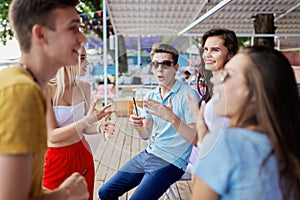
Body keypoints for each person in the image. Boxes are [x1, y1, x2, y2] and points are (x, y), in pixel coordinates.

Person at [0, 1, 90, 199]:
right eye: (73, 28)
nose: (81, 38)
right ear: (40, 34)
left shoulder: (26, 86)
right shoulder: (21, 92)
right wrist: (65, 194)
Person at [191, 47, 300, 200]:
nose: (213, 79)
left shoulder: (226, 143)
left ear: (256, 91)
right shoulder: (286, 146)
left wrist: (205, 142)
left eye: (227, 75)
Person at [98, 43, 199, 200]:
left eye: (166, 64)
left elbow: (195, 139)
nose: (160, 69)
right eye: (155, 64)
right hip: (149, 153)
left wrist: (172, 118)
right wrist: (138, 126)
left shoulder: (188, 95)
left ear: (176, 67)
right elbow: (146, 135)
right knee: (105, 192)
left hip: (171, 161)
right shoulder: (150, 96)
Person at [43, 45, 115, 200]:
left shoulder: (85, 87)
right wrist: (86, 121)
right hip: (56, 159)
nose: (87, 63)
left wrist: (98, 128)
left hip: (82, 154)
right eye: (82, 58)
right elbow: (52, 136)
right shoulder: (45, 90)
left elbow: (85, 127)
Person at [187, 28, 239, 157]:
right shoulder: (214, 87)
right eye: (206, 49)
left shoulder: (233, 89)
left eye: (215, 50)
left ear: (230, 54)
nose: (207, 54)